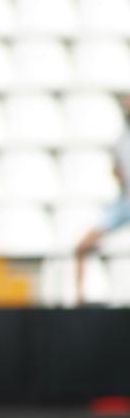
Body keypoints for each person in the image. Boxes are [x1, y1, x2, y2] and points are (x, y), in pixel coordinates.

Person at [74, 95, 130, 302]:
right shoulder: (119, 140)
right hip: (124, 202)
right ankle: (80, 298)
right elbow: (117, 170)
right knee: (82, 246)